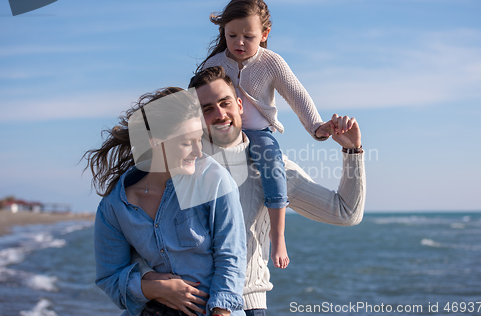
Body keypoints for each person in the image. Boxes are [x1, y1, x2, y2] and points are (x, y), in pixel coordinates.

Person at [140, 67, 366, 316]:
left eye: (225, 103)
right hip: (183, 303)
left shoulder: (273, 169)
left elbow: (346, 213)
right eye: (207, 109)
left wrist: (352, 150)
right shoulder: (181, 160)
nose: (220, 114)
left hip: (247, 305)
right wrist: (150, 282)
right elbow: (141, 231)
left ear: (239, 105)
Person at [197, 0, 334, 269]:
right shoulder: (214, 63)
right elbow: (196, 100)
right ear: (223, 32)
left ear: (264, 34)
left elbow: (297, 95)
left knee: (273, 167)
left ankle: (278, 235)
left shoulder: (271, 62)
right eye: (232, 34)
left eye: (248, 36)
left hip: (259, 133)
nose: (239, 42)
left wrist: (317, 127)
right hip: (221, 132)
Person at [83, 87, 247, 316]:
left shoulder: (214, 180)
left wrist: (221, 312)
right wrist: (152, 287)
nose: (199, 152)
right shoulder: (115, 205)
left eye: (199, 139)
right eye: (186, 143)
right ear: (155, 142)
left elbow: (232, 257)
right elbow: (109, 276)